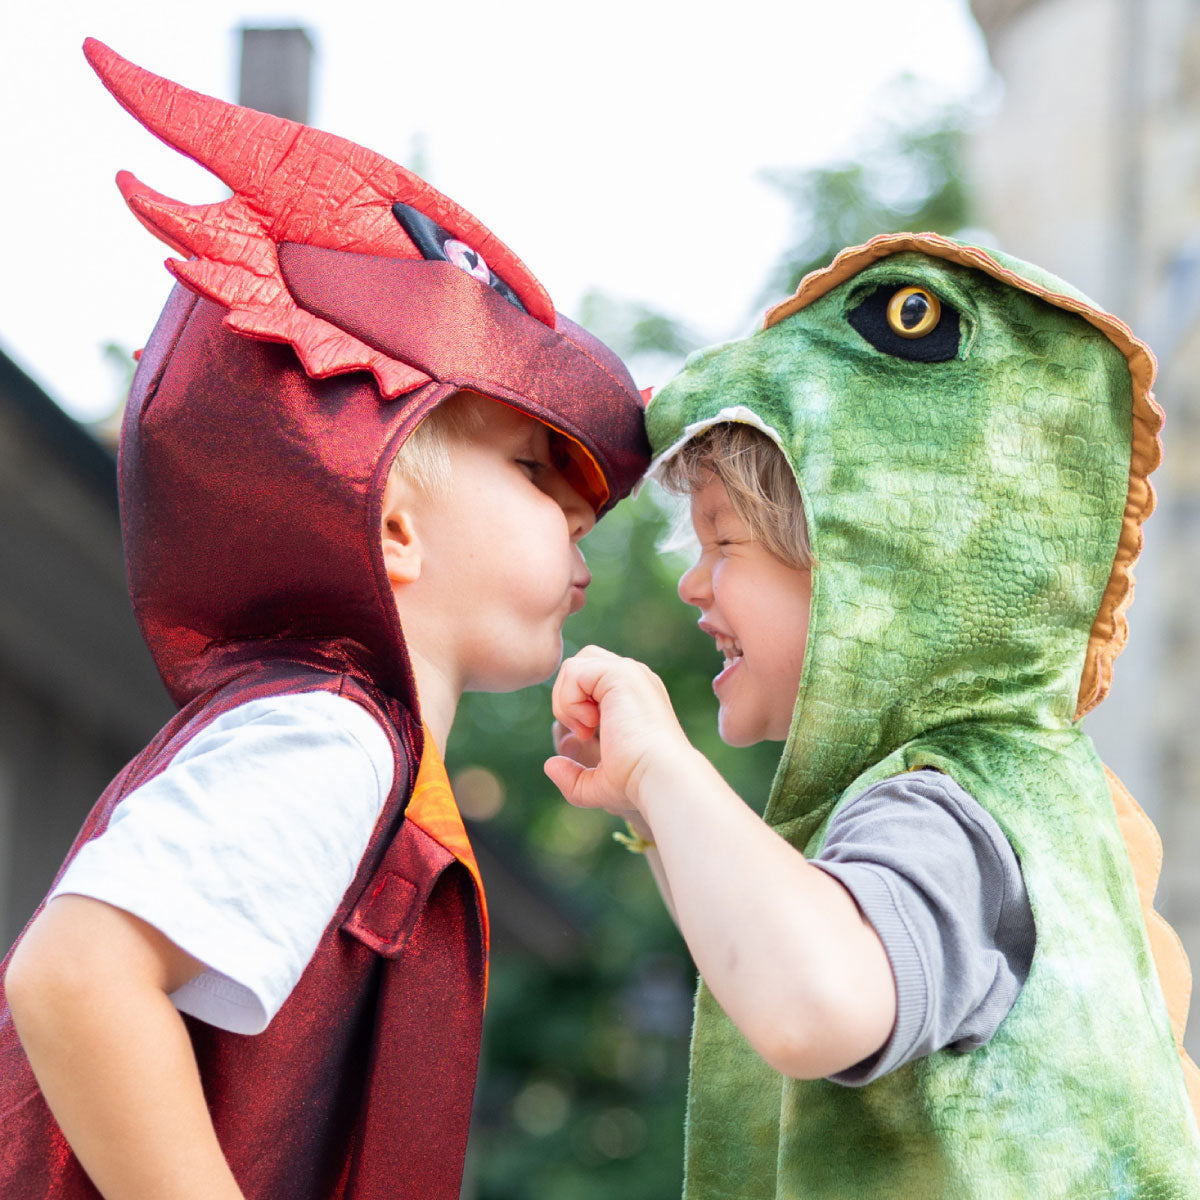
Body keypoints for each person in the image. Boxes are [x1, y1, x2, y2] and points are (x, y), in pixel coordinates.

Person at [0, 39, 649, 1200]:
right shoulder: (331, 736)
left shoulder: (361, 748)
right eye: (537, 472)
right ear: (390, 515)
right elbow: (77, 976)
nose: (578, 514)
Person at [546, 233, 1200, 1197]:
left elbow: (814, 1002)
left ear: (879, 568)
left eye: (724, 539)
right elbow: (761, 957)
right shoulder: (1011, 795)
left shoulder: (946, 810)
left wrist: (662, 769)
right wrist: (657, 818)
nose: (692, 582)